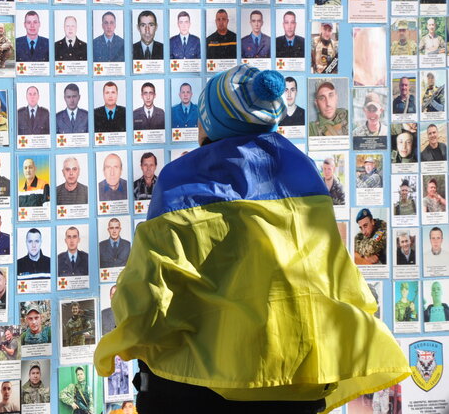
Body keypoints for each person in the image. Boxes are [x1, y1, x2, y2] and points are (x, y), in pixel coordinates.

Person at [94, 64, 409, 412]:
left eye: (201, 116)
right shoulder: (304, 174)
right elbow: (333, 280)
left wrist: (119, 341)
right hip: (294, 382)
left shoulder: (178, 182)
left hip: (196, 388)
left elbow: (148, 301)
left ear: (211, 124)